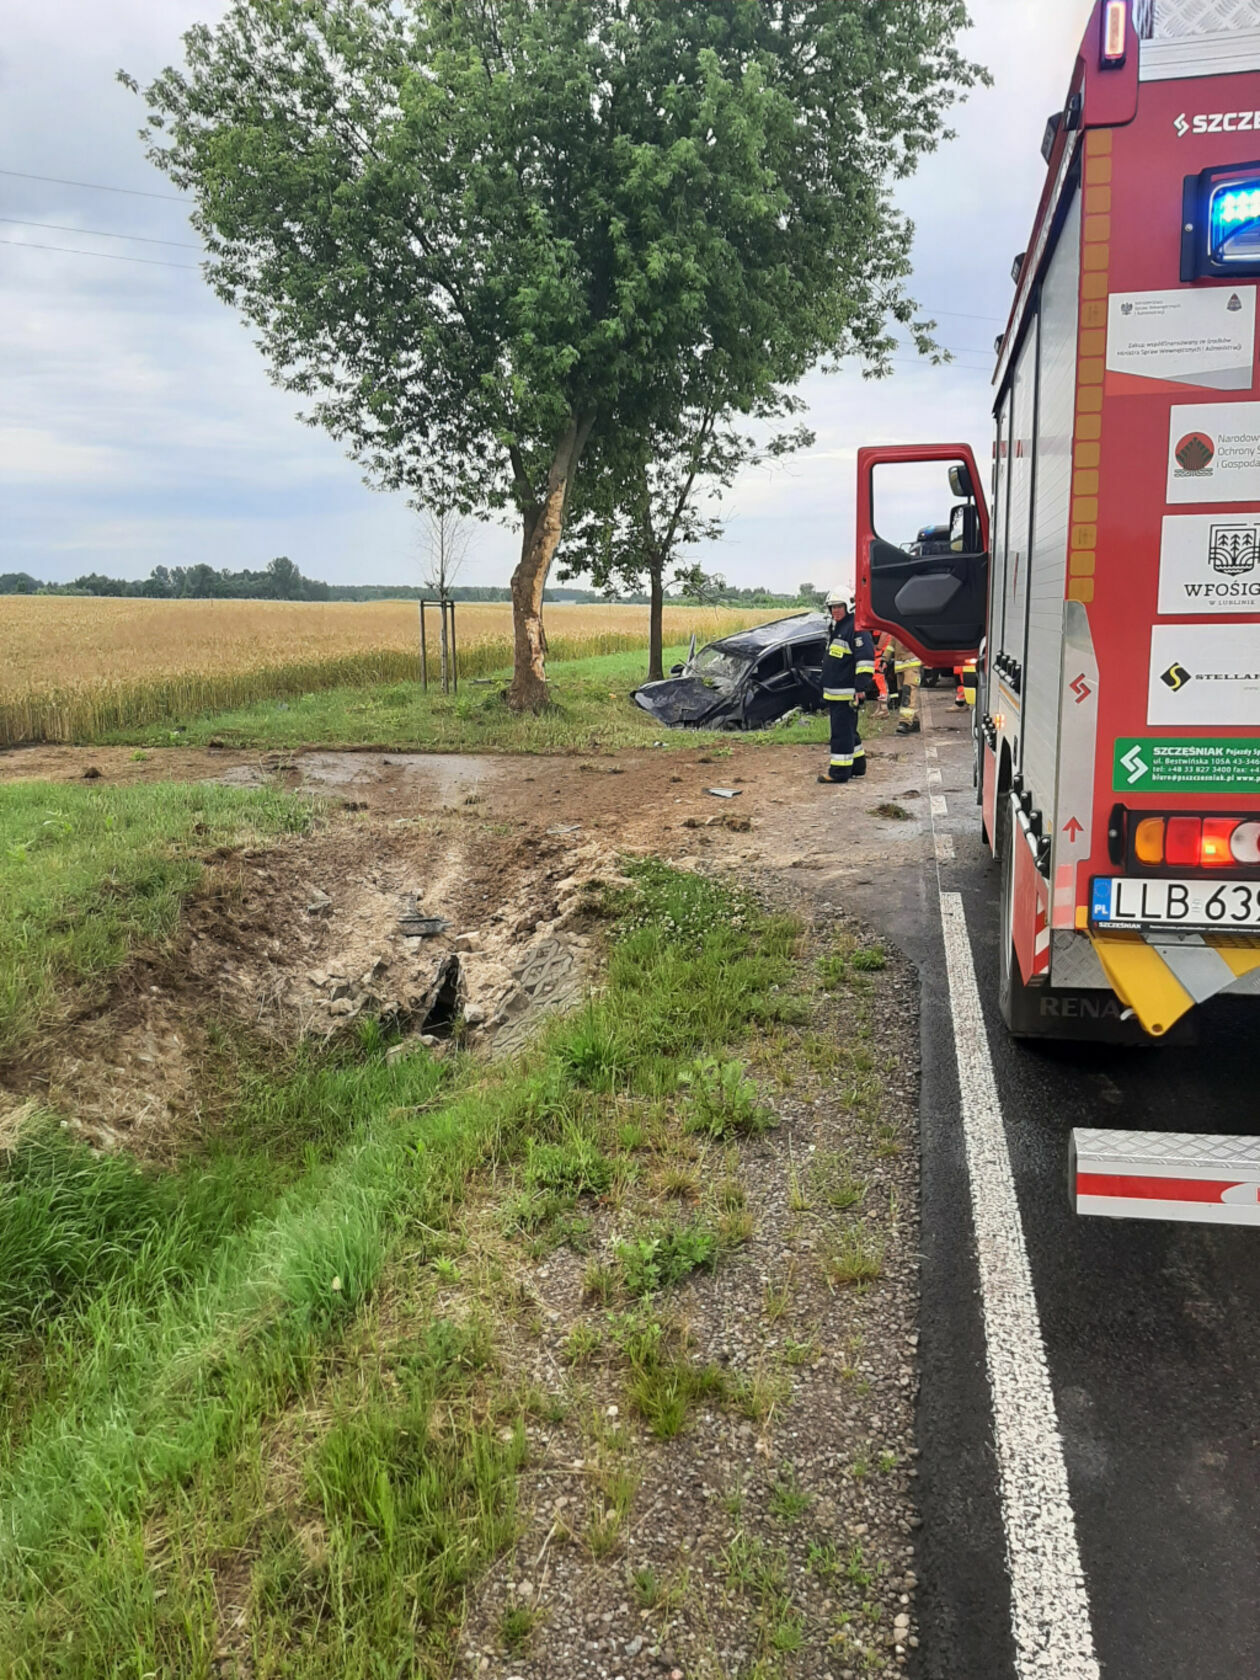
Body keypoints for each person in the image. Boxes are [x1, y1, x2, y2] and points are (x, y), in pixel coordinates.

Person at [818, 590, 877, 783]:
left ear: (848, 606)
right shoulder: (839, 627)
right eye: (832, 607)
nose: (835, 610)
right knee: (849, 730)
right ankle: (857, 765)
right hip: (836, 693)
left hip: (846, 693)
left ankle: (839, 772)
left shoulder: (856, 628)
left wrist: (860, 687)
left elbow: (865, 660)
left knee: (841, 733)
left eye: (839, 606)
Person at [893, 640, 921, 735]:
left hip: (912, 666)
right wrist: (885, 659)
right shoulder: (896, 632)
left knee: (908, 693)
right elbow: (891, 643)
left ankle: (904, 722)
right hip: (900, 668)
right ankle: (914, 721)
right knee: (904, 695)